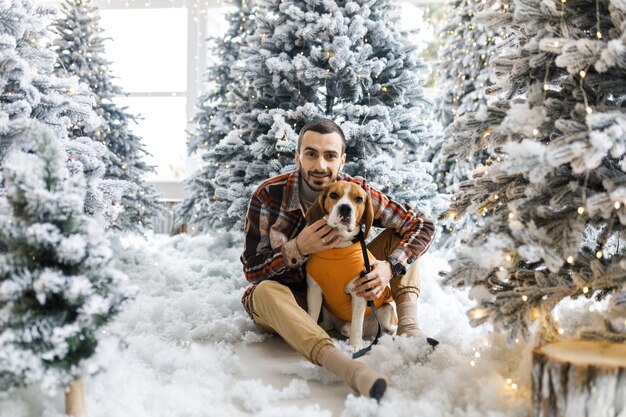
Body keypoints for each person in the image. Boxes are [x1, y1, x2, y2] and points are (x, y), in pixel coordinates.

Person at [240, 118, 435, 401]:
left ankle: (409, 329)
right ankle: (345, 366)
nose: (320, 165)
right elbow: (252, 269)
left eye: (330, 155)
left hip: (349, 285)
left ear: (341, 160)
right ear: (297, 156)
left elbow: (422, 225)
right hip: (295, 300)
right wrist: (297, 248)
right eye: (311, 153)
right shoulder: (269, 195)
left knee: (401, 241)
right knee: (263, 292)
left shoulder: (356, 193)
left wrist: (388, 268)